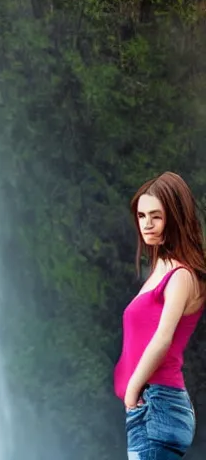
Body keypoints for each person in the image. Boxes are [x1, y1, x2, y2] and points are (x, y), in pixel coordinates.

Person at [113, 171, 206, 459]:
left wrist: (132, 390)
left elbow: (162, 338)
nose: (147, 225)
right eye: (141, 216)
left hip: (157, 405)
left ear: (175, 217)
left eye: (157, 216)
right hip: (155, 405)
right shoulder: (161, 270)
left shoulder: (180, 276)